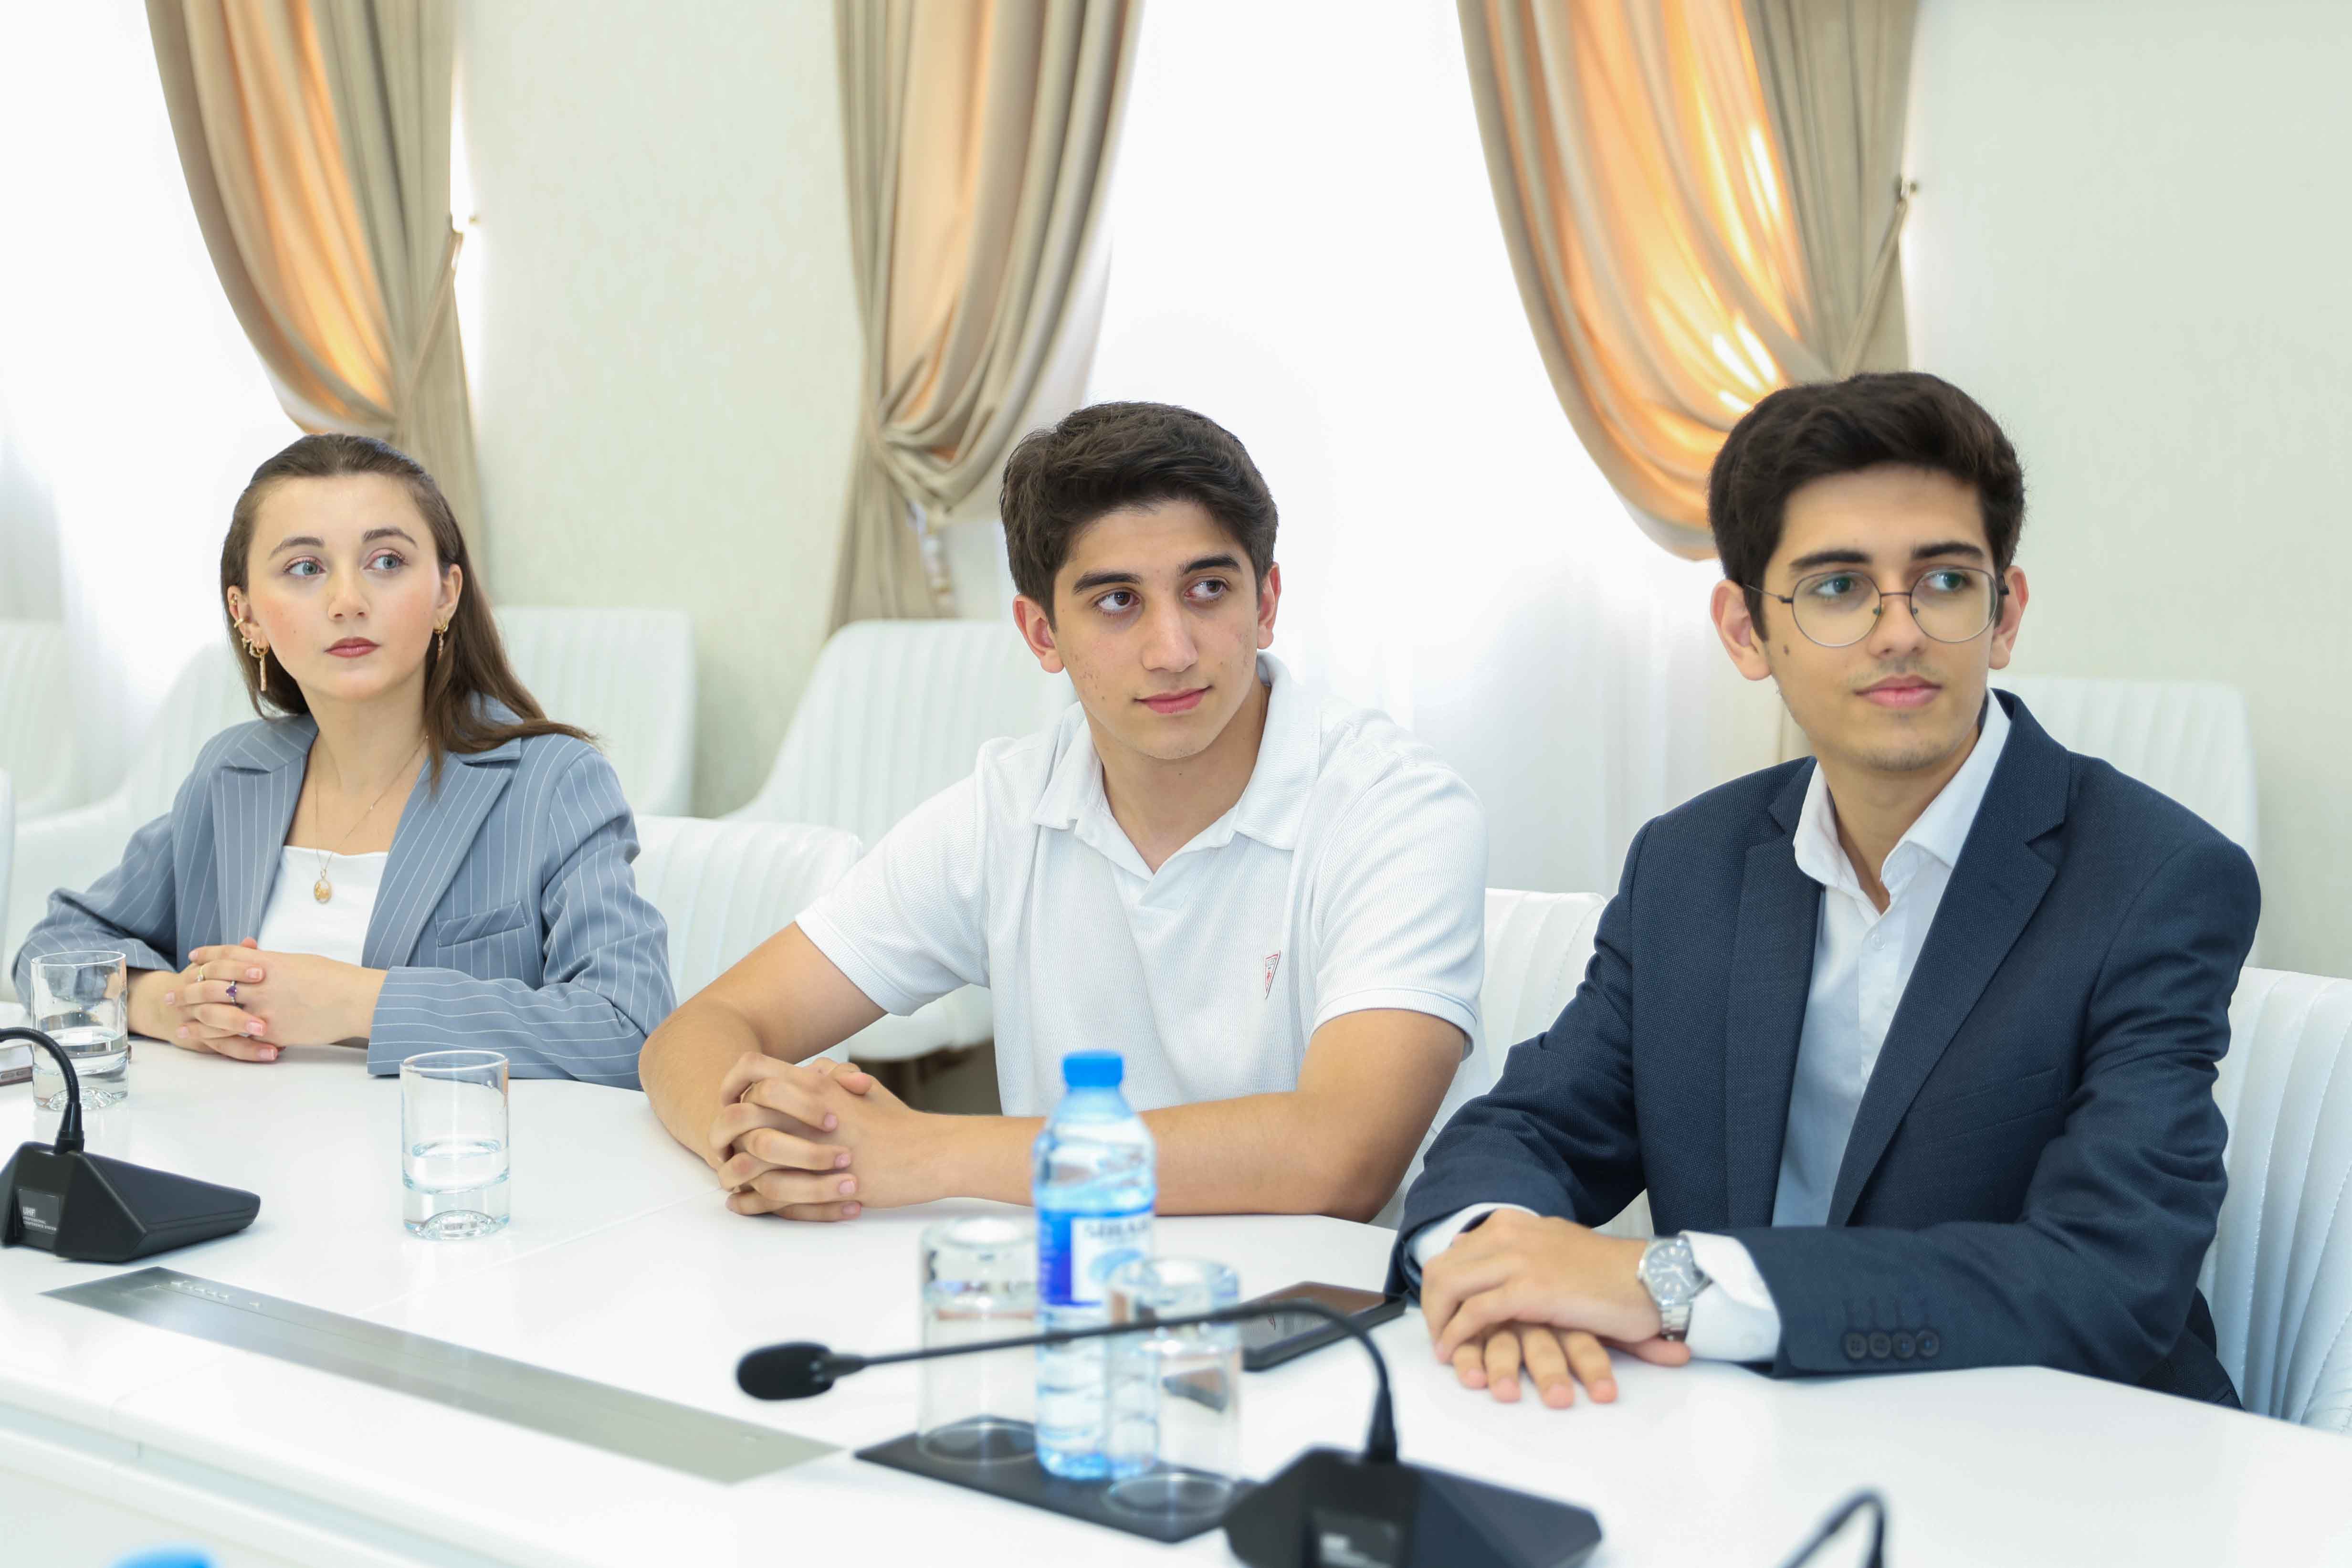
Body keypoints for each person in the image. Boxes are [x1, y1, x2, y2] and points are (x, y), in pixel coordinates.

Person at [1394, 372, 2257, 1411]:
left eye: (1944, 580)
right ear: (1745, 630)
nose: (1900, 632)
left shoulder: (2159, 879)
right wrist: (1501, 1266)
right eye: (1839, 587)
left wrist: (1667, 1285)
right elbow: (1526, 1131)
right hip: (1742, 1433)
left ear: (2004, 613)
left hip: (2058, 1445)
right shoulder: (1687, 864)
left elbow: (2106, 1275)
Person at [640, 401, 1485, 1223]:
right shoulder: (1006, 807)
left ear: (1264, 605)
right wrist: (773, 1142)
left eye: (1207, 589)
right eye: (1118, 600)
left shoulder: (1394, 807)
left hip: (1318, 1300)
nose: (1172, 650)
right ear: (1042, 633)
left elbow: (1342, 1155)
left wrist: (925, 1152)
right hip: (1066, 1285)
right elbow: (695, 1034)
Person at [10, 434, 672, 1084]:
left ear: (446, 592)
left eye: (386, 561)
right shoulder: (233, 774)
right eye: (306, 568)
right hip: (234, 1147)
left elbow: (629, 1027)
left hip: (434, 1153)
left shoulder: (553, 781)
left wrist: (355, 1002)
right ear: (247, 614)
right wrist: (167, 1003)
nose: (348, 601)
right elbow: (52, 950)